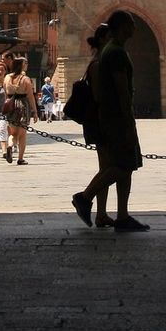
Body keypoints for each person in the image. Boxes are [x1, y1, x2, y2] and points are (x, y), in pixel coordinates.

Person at [72, 9, 148, 231]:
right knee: (124, 164)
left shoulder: (113, 51)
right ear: (123, 26)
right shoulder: (115, 53)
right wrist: (127, 120)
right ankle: (85, 197)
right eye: (131, 23)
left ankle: (122, 217)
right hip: (116, 118)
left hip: (111, 117)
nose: (135, 27)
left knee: (126, 164)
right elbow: (121, 90)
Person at [71, 24, 116, 228]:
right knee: (114, 167)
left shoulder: (99, 63)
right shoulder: (98, 65)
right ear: (103, 40)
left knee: (105, 167)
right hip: (101, 120)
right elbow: (99, 96)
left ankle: (101, 214)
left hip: (100, 120)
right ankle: (84, 197)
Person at [3, 56, 38, 164]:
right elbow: (31, 96)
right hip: (22, 105)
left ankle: (9, 146)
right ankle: (20, 158)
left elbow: (5, 93)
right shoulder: (25, 79)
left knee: (13, 133)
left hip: (11, 104)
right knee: (22, 134)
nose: (27, 65)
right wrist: (35, 111)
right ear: (22, 65)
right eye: (26, 63)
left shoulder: (7, 78)